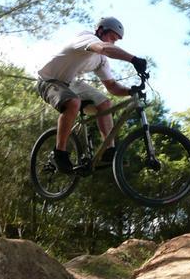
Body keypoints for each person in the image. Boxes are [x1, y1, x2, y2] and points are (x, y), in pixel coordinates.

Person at [36, 17, 147, 174]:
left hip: (70, 83)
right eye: (111, 38)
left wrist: (131, 91)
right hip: (48, 80)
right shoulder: (87, 38)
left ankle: (108, 152)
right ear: (100, 31)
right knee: (73, 102)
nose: (113, 43)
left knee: (105, 104)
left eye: (116, 41)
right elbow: (104, 47)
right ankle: (59, 153)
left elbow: (112, 87)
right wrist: (133, 59)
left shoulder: (101, 60)